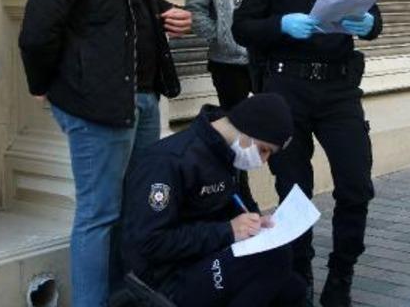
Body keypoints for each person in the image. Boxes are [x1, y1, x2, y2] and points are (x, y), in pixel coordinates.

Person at [17, 0, 191, 306]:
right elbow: (37, 32)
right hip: (95, 104)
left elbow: (137, 0)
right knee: (99, 214)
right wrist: (42, 86)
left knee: (136, 209)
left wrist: (168, 11)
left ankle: (125, 299)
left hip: (143, 94)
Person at [232, 0, 382, 307]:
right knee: (293, 189)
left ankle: (342, 275)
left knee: (356, 183)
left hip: (338, 88)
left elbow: (374, 21)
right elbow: (243, 27)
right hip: (286, 90)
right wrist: (281, 24)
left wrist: (367, 22)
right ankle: (299, 274)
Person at [121, 94, 306, 307]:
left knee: (293, 288)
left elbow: (235, 203)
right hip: (167, 277)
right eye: (264, 150)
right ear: (248, 129)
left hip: (205, 257)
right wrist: (228, 231)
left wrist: (255, 222)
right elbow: (148, 242)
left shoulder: (229, 156)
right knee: (276, 259)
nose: (263, 161)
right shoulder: (168, 161)